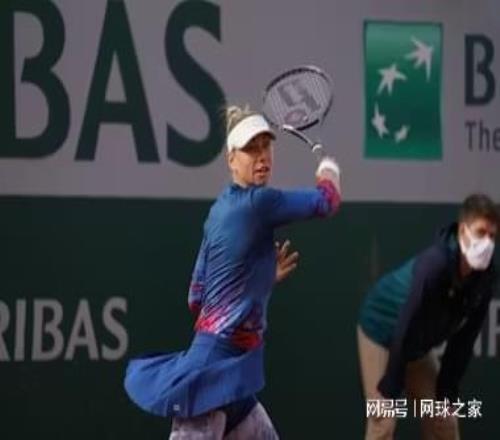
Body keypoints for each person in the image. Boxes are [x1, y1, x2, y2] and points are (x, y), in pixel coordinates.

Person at [124, 105, 341, 439]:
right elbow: (327, 201)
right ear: (231, 159)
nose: (262, 156)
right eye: (251, 149)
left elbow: (196, 297)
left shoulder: (217, 212)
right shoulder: (259, 203)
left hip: (235, 380)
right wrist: (329, 170)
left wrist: (257, 279)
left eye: (266, 146)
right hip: (211, 378)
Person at [357, 194, 499, 440]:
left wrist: (447, 394)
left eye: (492, 236)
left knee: (444, 420)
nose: (486, 243)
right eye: (480, 232)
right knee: (384, 418)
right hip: (381, 330)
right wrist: (390, 389)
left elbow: (464, 342)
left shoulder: (486, 278)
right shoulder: (434, 266)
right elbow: (406, 324)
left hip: (416, 344)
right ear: (463, 231)